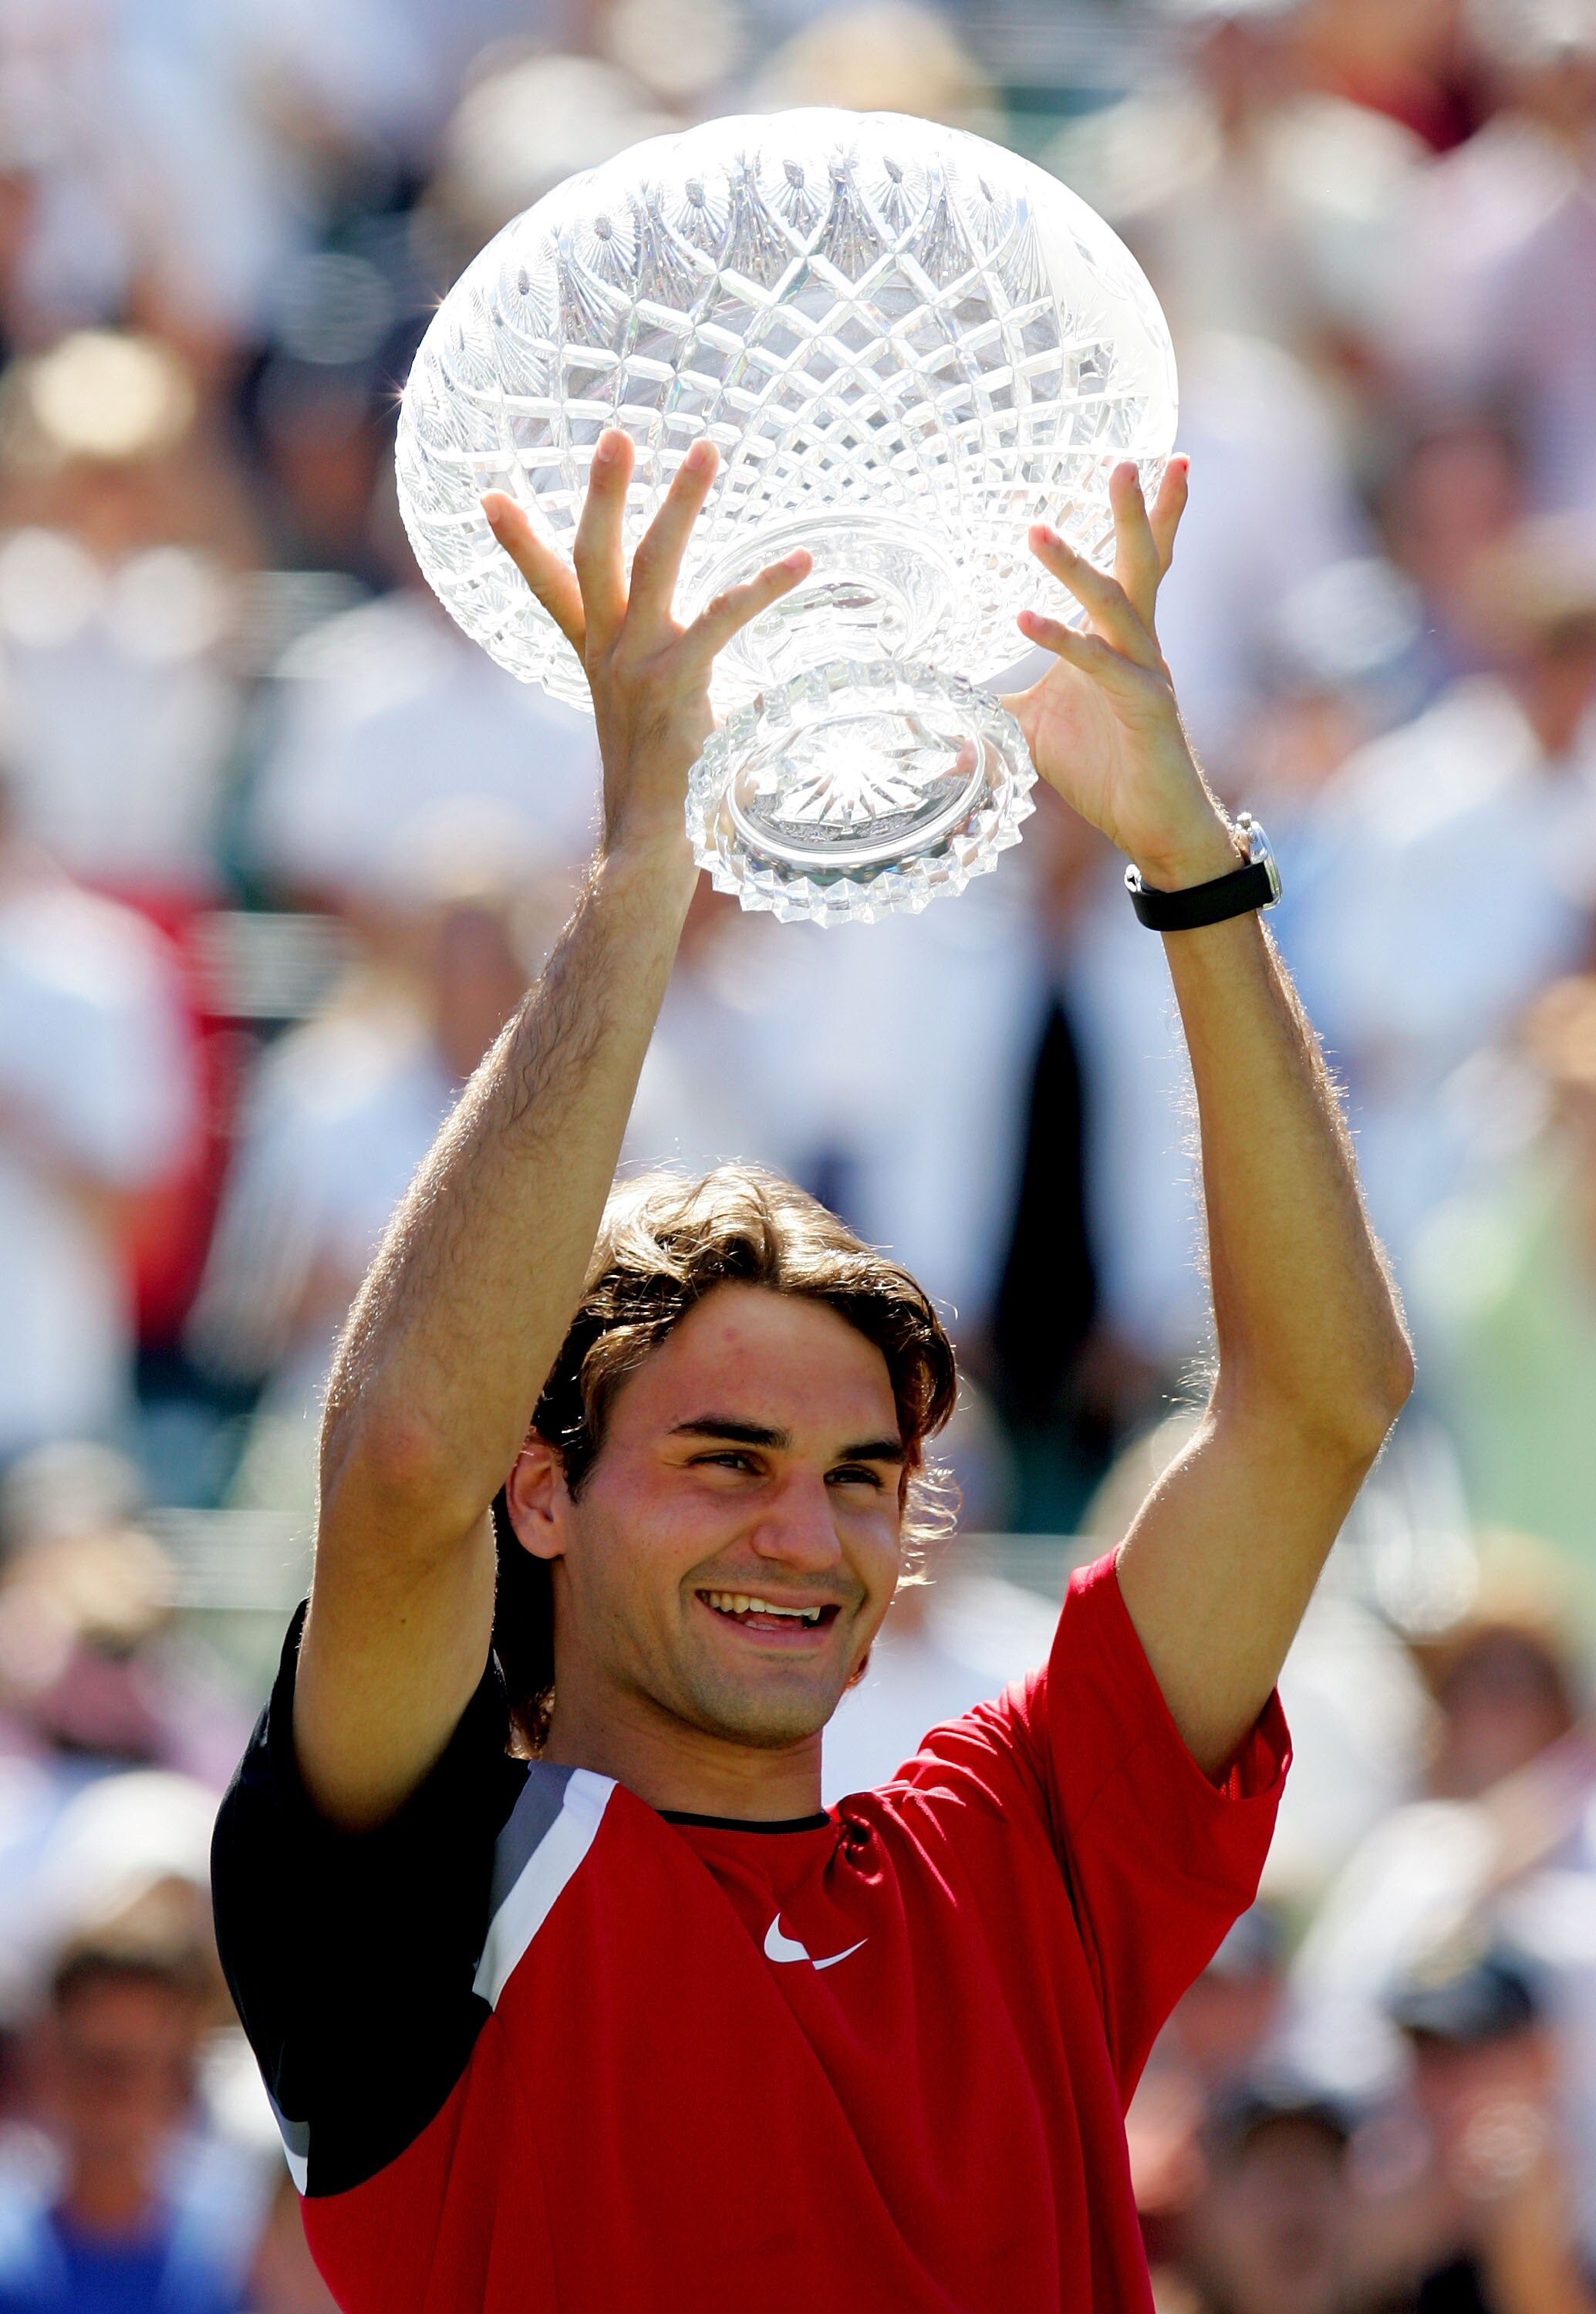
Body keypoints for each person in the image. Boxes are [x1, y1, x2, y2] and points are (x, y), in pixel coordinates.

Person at [211, 431, 1412, 2311]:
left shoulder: (1019, 1865)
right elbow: (403, 1455)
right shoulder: (433, 1891)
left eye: (864, 1474)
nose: (810, 1527)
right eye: (728, 1454)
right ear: (547, 1490)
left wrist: (1187, 862)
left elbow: (1318, 1411)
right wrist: (638, 867)